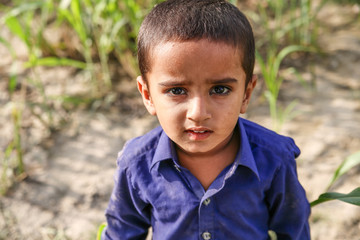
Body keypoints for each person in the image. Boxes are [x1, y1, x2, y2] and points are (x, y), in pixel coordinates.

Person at [102, 0, 311, 239]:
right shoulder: (136, 164)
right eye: (177, 91)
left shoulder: (274, 158)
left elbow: (293, 229)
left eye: (220, 90)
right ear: (147, 95)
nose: (199, 112)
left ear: (246, 93)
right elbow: (122, 233)